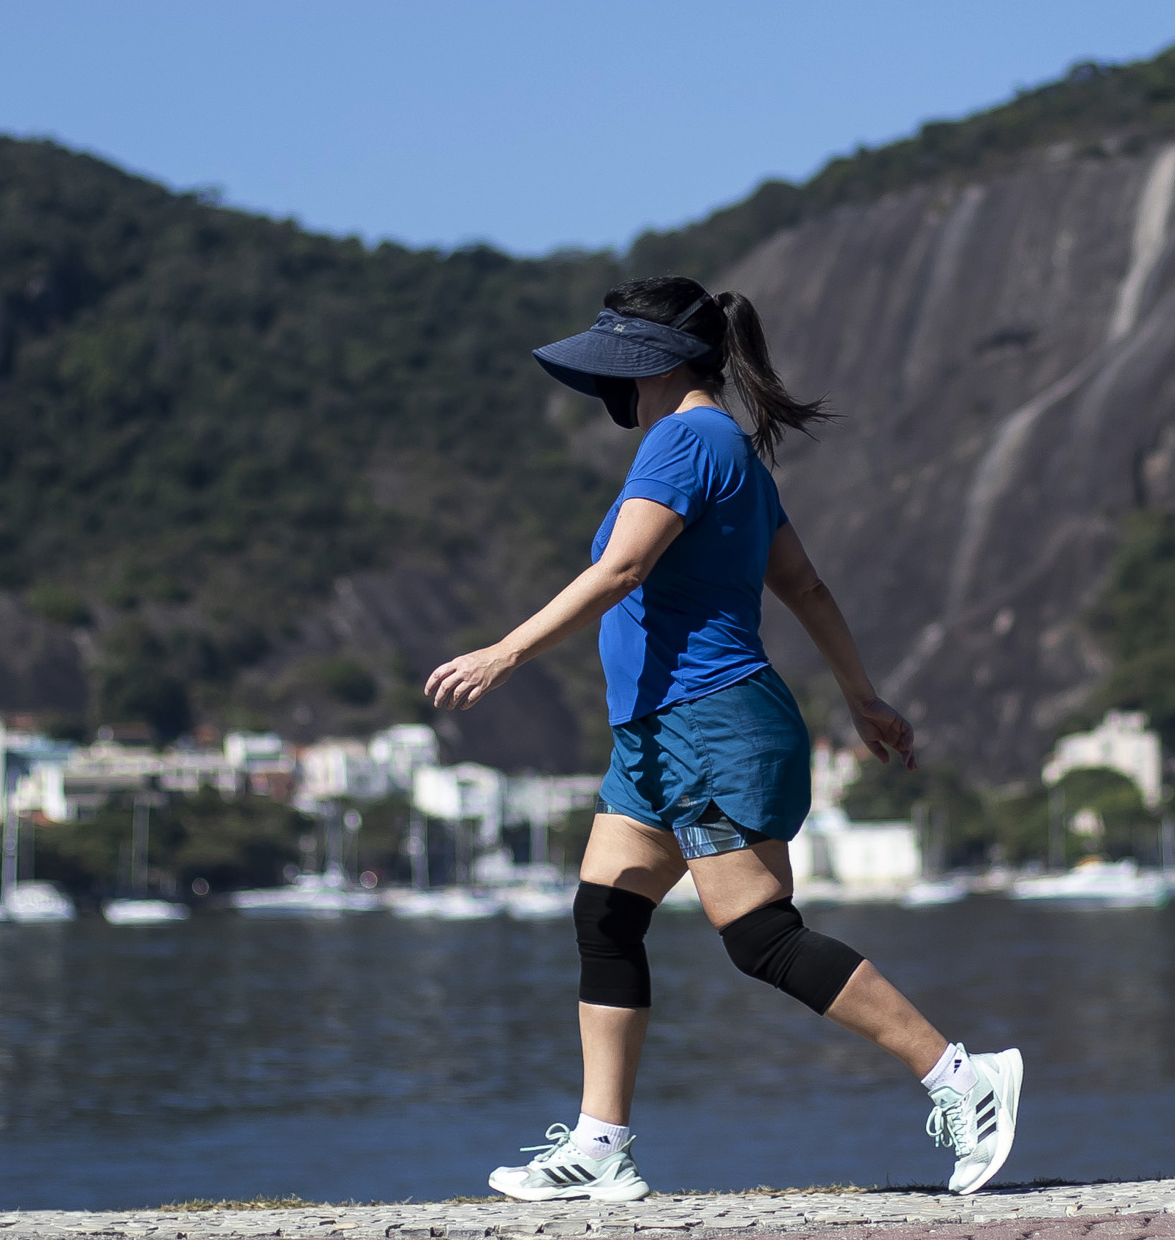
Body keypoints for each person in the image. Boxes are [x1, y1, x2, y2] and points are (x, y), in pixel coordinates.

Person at [425, 276, 1022, 1202]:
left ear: (652, 363)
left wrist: (504, 653)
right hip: (658, 735)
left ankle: (960, 1076)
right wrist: (861, 698)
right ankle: (600, 1144)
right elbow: (807, 588)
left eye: (611, 367)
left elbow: (624, 567)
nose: (603, 389)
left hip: (711, 723)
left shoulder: (681, 443)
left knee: (758, 937)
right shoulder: (728, 449)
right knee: (607, 912)